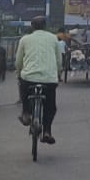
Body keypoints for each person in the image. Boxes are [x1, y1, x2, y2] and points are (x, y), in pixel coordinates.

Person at [15, 16, 60, 144]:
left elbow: (18, 61)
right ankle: (47, 131)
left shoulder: (24, 39)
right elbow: (59, 60)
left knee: (23, 85)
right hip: (49, 79)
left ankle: (25, 113)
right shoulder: (53, 38)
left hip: (28, 78)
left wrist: (18, 73)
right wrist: (58, 73)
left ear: (32, 26)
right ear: (45, 26)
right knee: (51, 106)